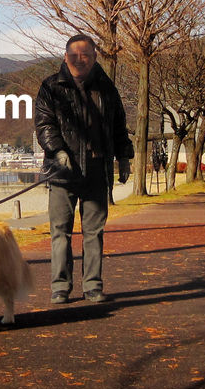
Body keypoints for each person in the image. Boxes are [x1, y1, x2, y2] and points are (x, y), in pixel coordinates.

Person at [35, 33, 134, 304]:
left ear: (94, 57)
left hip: (96, 169)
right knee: (60, 232)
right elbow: (44, 125)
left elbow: (118, 126)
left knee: (94, 232)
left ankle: (93, 285)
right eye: (75, 55)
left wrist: (124, 156)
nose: (80, 59)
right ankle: (60, 286)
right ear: (65, 57)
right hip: (62, 172)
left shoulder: (106, 87)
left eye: (86, 55)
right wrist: (58, 150)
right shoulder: (51, 87)